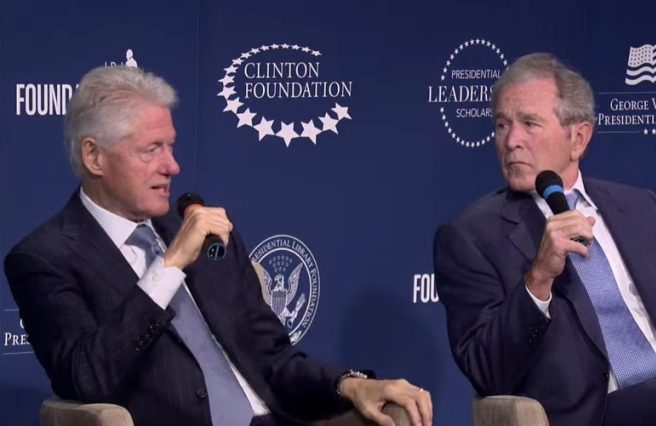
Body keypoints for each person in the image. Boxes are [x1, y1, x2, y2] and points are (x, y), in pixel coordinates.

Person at [4, 65, 432, 426]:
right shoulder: (45, 259)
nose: (172, 166)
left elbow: (274, 359)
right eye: (151, 150)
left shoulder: (206, 233)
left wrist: (349, 384)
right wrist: (169, 266)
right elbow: (87, 377)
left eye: (171, 146)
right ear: (94, 157)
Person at [433, 53, 656, 426]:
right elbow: (486, 369)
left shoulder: (640, 207)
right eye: (502, 124)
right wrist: (538, 279)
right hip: (597, 413)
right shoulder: (470, 237)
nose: (511, 141)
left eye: (529, 123)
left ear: (578, 138)